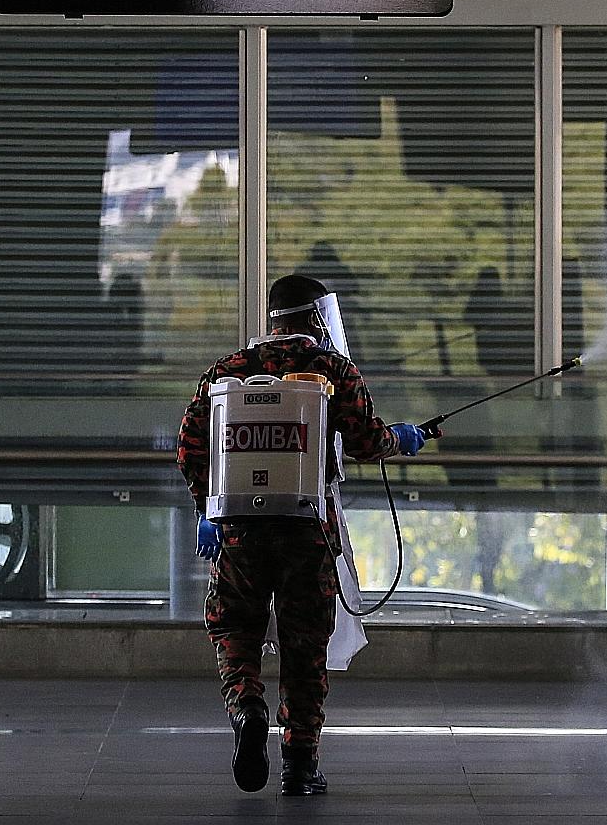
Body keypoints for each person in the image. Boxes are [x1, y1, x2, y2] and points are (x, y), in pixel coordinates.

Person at [176, 274, 428, 796]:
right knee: (305, 649)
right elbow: (364, 440)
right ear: (316, 318)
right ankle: (299, 765)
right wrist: (402, 438)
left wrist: (208, 508)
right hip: (307, 535)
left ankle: (247, 708)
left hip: (239, 534)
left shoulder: (227, 371)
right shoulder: (332, 369)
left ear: (274, 320)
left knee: (235, 631)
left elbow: (188, 443)